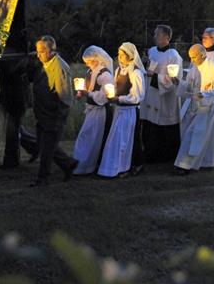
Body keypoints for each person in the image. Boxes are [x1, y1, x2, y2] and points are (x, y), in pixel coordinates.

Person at [29, 36, 79, 187]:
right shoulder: (44, 63)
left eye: (42, 51)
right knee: (44, 145)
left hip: (53, 115)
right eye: (37, 51)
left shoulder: (59, 67)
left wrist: (57, 117)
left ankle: (42, 178)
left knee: (46, 148)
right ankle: (68, 164)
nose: (39, 55)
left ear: (52, 50)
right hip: (43, 113)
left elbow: (64, 96)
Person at [173, 45, 214, 174]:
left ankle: (184, 165)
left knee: (194, 134)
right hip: (194, 105)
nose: (191, 60)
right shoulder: (194, 68)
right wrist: (178, 83)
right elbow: (189, 86)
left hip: (206, 107)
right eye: (190, 57)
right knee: (196, 134)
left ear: (202, 54)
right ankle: (206, 161)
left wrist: (204, 95)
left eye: (194, 57)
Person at [98, 42, 146, 178]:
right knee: (115, 139)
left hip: (129, 112)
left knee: (124, 140)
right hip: (119, 110)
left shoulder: (136, 73)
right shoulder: (119, 70)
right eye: (118, 54)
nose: (119, 57)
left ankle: (123, 167)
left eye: (122, 55)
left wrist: (119, 99)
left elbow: (138, 96)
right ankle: (111, 168)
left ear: (130, 56)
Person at [141, 25, 182, 163]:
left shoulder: (174, 56)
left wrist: (154, 76)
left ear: (167, 37)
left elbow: (174, 78)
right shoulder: (152, 51)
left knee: (165, 123)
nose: (154, 37)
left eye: (157, 34)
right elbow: (149, 68)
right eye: (154, 34)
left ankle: (167, 156)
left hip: (165, 96)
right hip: (152, 94)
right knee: (150, 123)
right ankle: (150, 153)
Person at [73, 46, 114, 175]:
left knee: (92, 138)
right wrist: (81, 93)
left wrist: (88, 94)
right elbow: (87, 88)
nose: (87, 64)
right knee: (85, 136)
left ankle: (88, 165)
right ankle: (80, 164)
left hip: (100, 111)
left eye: (89, 61)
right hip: (92, 110)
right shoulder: (90, 72)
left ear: (97, 59)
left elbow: (103, 97)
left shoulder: (105, 75)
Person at [0, 49, 38, 169]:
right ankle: (35, 147)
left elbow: (25, 76)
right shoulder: (12, 57)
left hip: (17, 98)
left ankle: (12, 160)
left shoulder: (21, 59)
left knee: (13, 129)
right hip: (10, 97)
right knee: (14, 129)